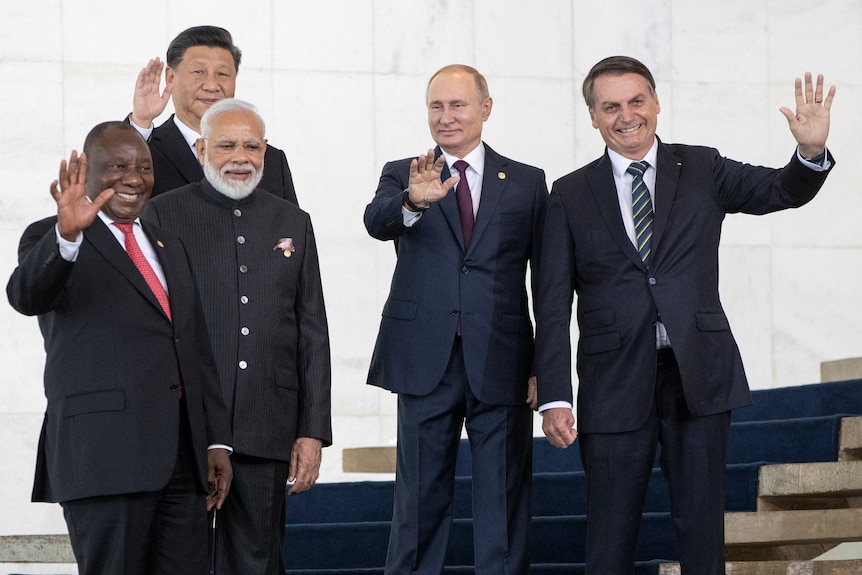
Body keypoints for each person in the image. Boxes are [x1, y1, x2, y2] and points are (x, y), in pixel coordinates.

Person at [535, 55, 836, 575]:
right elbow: (552, 300)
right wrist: (555, 395)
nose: (626, 115)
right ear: (592, 116)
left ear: (655, 102)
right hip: (612, 380)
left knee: (701, 532)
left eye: (636, 101)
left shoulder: (702, 167)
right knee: (608, 537)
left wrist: (809, 152)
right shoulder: (569, 194)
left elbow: (779, 190)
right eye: (610, 107)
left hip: (698, 374)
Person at [6, 122, 234, 575]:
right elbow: (26, 296)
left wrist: (215, 441)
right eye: (119, 166)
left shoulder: (169, 244)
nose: (134, 178)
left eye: (144, 167)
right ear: (88, 170)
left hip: (182, 464)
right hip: (103, 461)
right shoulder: (51, 236)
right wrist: (67, 236)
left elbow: (195, 349)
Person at [364, 64, 548, 575]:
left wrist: (544, 365)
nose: (446, 117)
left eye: (458, 105)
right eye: (436, 106)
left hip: (504, 360)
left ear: (485, 108)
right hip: (426, 359)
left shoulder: (528, 182)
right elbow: (376, 220)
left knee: (503, 505)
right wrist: (411, 201)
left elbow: (546, 283)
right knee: (418, 503)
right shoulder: (405, 171)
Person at [144, 98, 332, 575]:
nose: (240, 156)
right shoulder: (161, 215)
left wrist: (312, 430)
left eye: (251, 145)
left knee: (257, 561)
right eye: (226, 145)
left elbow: (312, 331)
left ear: (266, 149)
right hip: (185, 428)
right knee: (179, 560)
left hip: (266, 423)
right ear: (203, 147)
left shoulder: (293, 221)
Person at [128, 25, 299, 203]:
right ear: (171, 77)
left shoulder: (269, 159)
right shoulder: (146, 149)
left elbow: (293, 226)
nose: (211, 85)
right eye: (199, 72)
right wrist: (141, 121)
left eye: (222, 74)